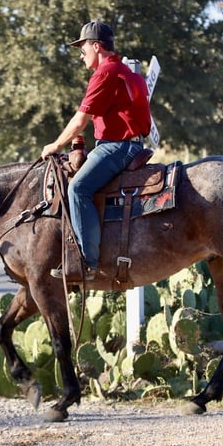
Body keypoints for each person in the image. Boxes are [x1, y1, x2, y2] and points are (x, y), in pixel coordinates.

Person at [41, 20, 152, 281]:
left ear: (96, 46)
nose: (81, 56)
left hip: (118, 146)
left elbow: (81, 120)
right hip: (130, 143)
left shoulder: (105, 73)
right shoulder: (125, 71)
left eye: (83, 50)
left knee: (78, 189)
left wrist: (55, 146)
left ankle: (86, 261)